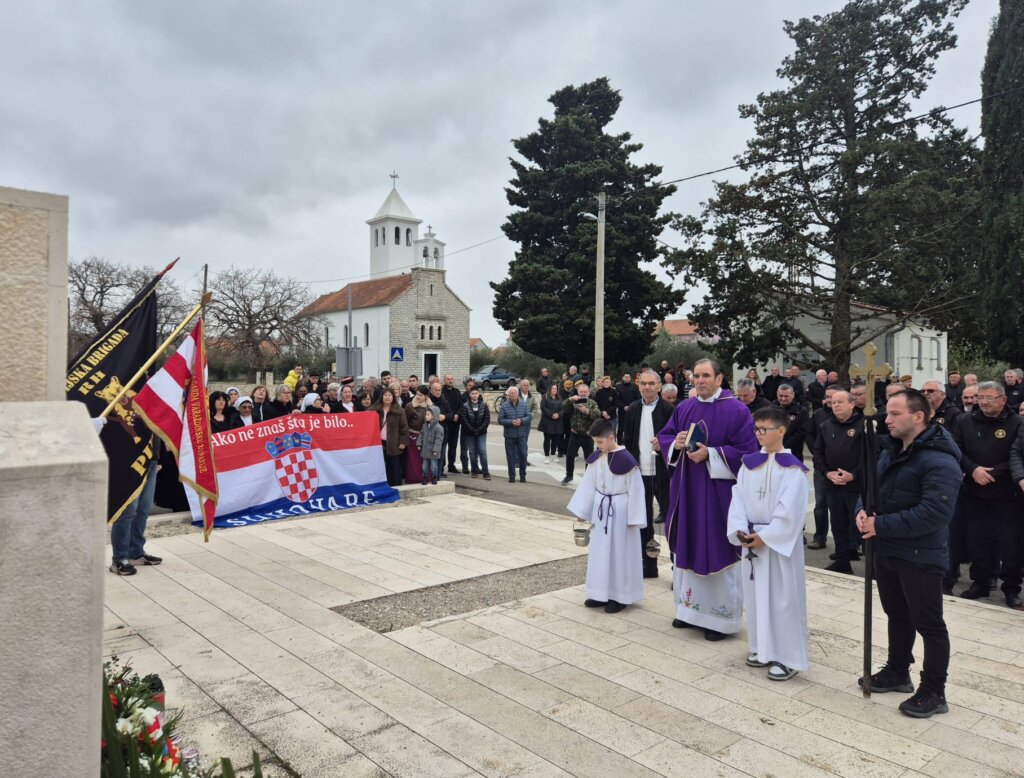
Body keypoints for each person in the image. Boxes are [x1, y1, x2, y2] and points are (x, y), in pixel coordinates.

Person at [856, 389, 962, 718]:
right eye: (887, 413)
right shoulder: (891, 451)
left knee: (929, 624)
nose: (886, 419)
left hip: (920, 554)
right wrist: (862, 510)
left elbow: (935, 513)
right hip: (887, 550)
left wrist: (880, 525)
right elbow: (871, 488)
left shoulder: (940, 460)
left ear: (918, 416)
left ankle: (933, 690)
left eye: (894, 414)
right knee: (897, 615)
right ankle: (898, 670)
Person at [656, 358, 758, 641]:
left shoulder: (737, 411)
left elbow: (748, 452)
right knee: (688, 543)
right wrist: (673, 444)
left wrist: (710, 454)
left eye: (705, 376)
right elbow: (664, 436)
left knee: (717, 547)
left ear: (719, 379)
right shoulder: (685, 407)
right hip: (687, 491)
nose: (699, 380)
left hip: (717, 495)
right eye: (696, 376)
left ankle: (720, 620)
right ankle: (688, 611)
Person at [727, 406, 810, 681]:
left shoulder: (793, 471)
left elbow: (791, 512)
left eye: (764, 430)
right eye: (756, 429)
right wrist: (740, 530)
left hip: (776, 544)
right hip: (751, 540)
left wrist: (766, 537)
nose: (759, 434)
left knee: (784, 599)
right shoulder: (749, 464)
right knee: (755, 596)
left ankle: (789, 657)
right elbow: (737, 497)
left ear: (781, 431)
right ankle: (761, 647)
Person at [953, 382, 1024, 607]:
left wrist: (995, 473)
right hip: (975, 492)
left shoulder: (1018, 423)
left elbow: (1017, 454)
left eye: (990, 397)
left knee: (1011, 545)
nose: (983, 402)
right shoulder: (965, 421)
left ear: (1003, 400)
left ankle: (1011, 588)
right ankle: (980, 582)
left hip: (1007, 494)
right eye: (980, 397)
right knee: (977, 541)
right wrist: (973, 469)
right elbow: (956, 449)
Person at [567, 420, 646, 613]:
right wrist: (582, 512)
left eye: (600, 442)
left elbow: (636, 490)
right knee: (600, 553)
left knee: (619, 554)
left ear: (611, 438)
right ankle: (599, 593)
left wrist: (634, 518)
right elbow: (588, 484)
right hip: (600, 511)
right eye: (596, 442)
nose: (597, 446)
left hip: (620, 512)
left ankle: (620, 596)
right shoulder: (597, 457)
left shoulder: (627, 460)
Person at [620, 369, 673, 578]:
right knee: (643, 521)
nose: (647, 387)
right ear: (638, 386)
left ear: (659, 386)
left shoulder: (669, 410)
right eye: (643, 383)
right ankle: (648, 565)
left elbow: (678, 438)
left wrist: (665, 443)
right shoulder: (632, 409)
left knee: (671, 520)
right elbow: (627, 439)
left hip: (664, 473)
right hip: (639, 472)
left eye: (651, 383)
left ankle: (676, 568)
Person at [812, 390, 864, 574]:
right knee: (838, 524)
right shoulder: (826, 426)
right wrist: (827, 473)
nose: (835, 405)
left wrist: (854, 475)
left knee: (862, 525)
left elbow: (870, 456)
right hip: (832, 484)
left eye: (840, 402)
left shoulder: (864, 425)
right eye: (833, 402)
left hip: (856, 485)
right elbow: (817, 453)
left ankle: (873, 565)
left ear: (852, 404)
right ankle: (842, 560)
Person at [109, 435, 163, 576]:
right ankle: (119, 559)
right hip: (130, 460)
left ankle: (135, 553)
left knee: (143, 509)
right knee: (126, 511)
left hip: (151, 458)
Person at [806, 385, 840, 550]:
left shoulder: (844, 415)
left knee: (840, 507)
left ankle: (848, 544)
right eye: (827, 397)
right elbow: (809, 434)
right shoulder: (819, 414)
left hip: (840, 467)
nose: (829, 401)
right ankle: (819, 537)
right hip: (821, 466)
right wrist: (816, 452)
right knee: (820, 505)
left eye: (833, 397)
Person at [561, 383, 600, 485]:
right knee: (570, 456)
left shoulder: (592, 403)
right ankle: (569, 476)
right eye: (581, 392)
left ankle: (588, 478)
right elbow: (564, 406)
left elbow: (597, 415)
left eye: (585, 392)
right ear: (578, 392)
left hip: (587, 435)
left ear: (588, 393)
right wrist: (570, 399)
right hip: (575, 434)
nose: (583, 393)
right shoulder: (574, 401)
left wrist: (586, 411)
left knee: (589, 458)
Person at [498, 386, 532, 483]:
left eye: (515, 393)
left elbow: (529, 417)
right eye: (511, 393)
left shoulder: (523, 404)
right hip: (509, 436)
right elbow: (500, 420)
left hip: (521, 435)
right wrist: (511, 422)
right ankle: (512, 476)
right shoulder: (504, 405)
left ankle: (522, 476)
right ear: (508, 395)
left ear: (517, 394)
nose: (513, 395)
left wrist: (521, 421)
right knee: (510, 457)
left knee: (523, 456)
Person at [459, 386, 491, 479]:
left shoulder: (483, 405)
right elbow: (464, 419)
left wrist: (480, 429)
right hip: (470, 433)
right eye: (472, 393)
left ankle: (485, 472)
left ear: (479, 394)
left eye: (476, 393)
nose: (474, 395)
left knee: (482, 451)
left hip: (481, 433)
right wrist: (472, 430)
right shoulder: (465, 405)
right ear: (469, 394)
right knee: (472, 452)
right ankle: (474, 471)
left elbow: (487, 418)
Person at [773, 383, 809, 460]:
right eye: (780, 396)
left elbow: (801, 433)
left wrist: (782, 447)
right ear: (777, 394)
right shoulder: (770, 409)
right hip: (772, 450)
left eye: (786, 396)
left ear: (793, 395)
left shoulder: (802, 411)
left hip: (793, 453)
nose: (783, 398)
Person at [404, 387, 430, 484]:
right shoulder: (410, 406)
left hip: (427, 436)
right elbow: (405, 422)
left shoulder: (430, 406)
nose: (418, 397)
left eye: (421, 395)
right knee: (414, 459)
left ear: (426, 396)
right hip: (413, 435)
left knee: (426, 458)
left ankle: (426, 477)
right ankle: (414, 478)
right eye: (417, 394)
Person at [441, 375, 464, 474]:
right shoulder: (441, 392)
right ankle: (441, 466)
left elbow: (461, 405)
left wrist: (457, 414)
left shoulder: (457, 392)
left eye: (451, 379)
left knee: (453, 445)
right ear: (444, 380)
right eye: (448, 379)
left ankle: (451, 465)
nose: (450, 381)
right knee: (443, 445)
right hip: (444, 423)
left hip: (455, 423)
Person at [416, 406, 444, 485]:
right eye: (426, 414)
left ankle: (434, 477)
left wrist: (436, 450)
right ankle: (425, 477)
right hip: (425, 450)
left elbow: (439, 440)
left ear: (434, 416)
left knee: (433, 466)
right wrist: (419, 443)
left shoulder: (439, 428)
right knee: (424, 466)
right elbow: (421, 435)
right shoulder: (424, 426)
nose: (426, 416)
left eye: (428, 414)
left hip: (433, 451)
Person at [539, 383, 564, 463]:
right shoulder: (545, 397)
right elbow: (543, 407)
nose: (554, 390)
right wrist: (551, 414)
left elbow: (563, 409)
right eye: (553, 388)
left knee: (555, 440)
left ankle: (553, 455)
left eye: (556, 389)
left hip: (557, 422)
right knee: (547, 439)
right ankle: (547, 456)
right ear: (550, 389)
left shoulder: (560, 398)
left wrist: (558, 415)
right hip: (548, 421)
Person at [615, 373, 641, 442]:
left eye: (628, 377)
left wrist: (631, 406)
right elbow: (617, 399)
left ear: (630, 378)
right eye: (625, 377)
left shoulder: (635, 387)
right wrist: (623, 406)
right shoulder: (618, 387)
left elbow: (638, 398)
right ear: (623, 378)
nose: (627, 378)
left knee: (632, 428)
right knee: (621, 429)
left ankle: (630, 443)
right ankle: (619, 444)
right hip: (622, 411)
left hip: (632, 411)